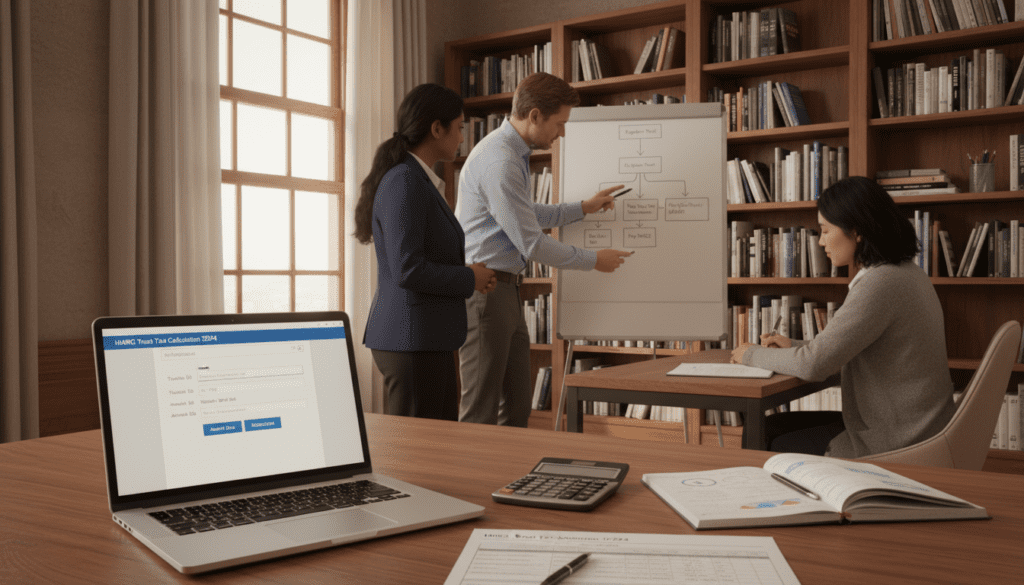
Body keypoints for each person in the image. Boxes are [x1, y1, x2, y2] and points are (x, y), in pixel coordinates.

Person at [730, 176, 957, 457]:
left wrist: (750, 354)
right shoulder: (906, 273)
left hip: (897, 440)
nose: (821, 241)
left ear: (857, 230)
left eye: (825, 230)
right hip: (916, 426)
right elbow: (848, 351)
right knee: (770, 427)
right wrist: (795, 345)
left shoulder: (880, 283)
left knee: (766, 437)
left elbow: (815, 365)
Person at [457, 72, 633, 427]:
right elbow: (531, 242)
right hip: (486, 293)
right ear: (534, 115)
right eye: (559, 123)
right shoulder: (501, 161)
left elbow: (526, 214)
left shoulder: (512, 153)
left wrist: (582, 207)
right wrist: (593, 261)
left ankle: (506, 479)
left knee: (518, 407)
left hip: (505, 291)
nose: (562, 133)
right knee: (480, 410)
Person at [355, 83, 496, 421]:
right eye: (459, 127)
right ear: (437, 128)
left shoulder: (415, 179)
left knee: (437, 447)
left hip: (424, 338)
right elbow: (408, 269)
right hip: (411, 340)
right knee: (419, 455)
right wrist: (469, 277)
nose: (462, 137)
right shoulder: (404, 181)